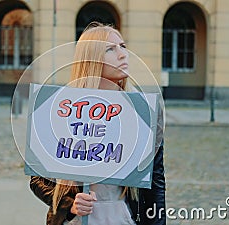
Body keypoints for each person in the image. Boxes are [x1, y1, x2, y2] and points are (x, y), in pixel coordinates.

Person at [30, 21, 166, 225]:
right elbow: (38, 179)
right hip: (77, 219)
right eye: (110, 49)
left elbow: (155, 181)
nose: (122, 54)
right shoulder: (61, 109)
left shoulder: (141, 112)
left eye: (123, 46)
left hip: (124, 216)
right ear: (91, 58)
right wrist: (69, 204)